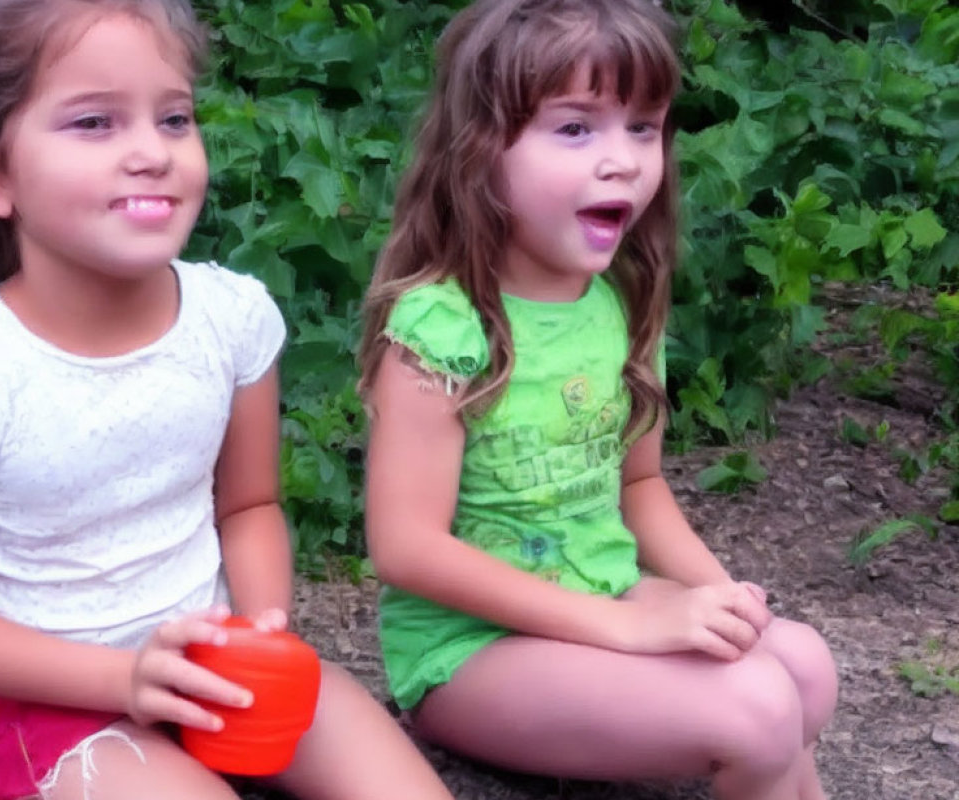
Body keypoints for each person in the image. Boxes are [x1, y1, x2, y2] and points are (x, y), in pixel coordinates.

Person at [0, 2, 455, 799]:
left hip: (209, 665)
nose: (151, 152)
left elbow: (249, 504)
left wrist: (260, 628)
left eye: (174, 118)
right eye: (94, 123)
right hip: (36, 699)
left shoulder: (231, 318)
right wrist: (123, 681)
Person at [358, 1, 839, 799]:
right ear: (480, 149)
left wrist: (719, 600)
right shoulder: (443, 325)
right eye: (576, 129)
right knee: (758, 709)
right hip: (470, 655)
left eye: (643, 127)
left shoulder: (612, 303)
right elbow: (406, 547)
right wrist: (628, 625)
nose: (623, 161)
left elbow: (640, 487)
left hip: (602, 594)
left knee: (804, 671)